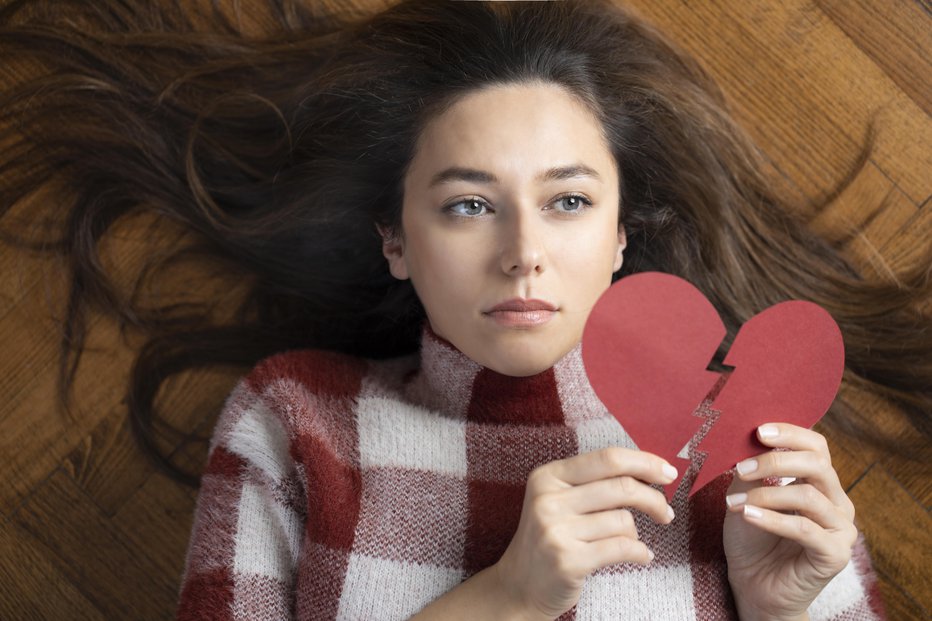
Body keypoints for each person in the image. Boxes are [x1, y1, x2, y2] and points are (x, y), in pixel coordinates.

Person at [1, 0, 928, 619]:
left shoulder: (747, 444)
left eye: (568, 201)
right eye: (468, 204)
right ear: (395, 239)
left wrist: (781, 611)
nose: (522, 249)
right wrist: (504, 598)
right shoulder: (294, 419)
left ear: (619, 237)